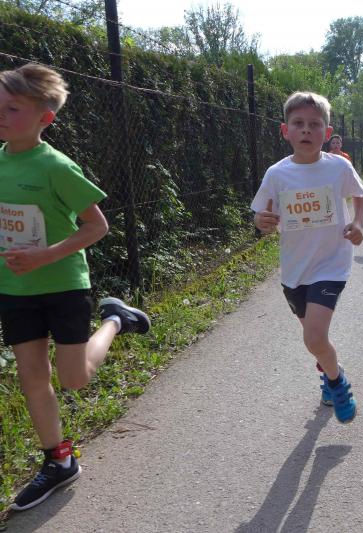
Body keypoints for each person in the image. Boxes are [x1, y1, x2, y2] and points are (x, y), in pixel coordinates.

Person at [0, 64, 151, 511]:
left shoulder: (55, 166)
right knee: (32, 377)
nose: (1, 115)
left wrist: (44, 255)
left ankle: (115, 320)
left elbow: (96, 226)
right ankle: (58, 461)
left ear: (45, 118)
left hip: (63, 284)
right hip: (14, 288)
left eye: (12, 108)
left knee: (73, 379)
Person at [252, 91, 363, 424]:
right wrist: (261, 222)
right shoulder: (276, 174)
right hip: (294, 271)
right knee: (316, 341)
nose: (306, 130)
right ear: (284, 131)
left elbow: (359, 196)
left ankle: (338, 384)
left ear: (327, 133)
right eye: (298, 123)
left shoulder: (339, 167)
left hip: (332, 265)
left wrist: (358, 223)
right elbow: (261, 215)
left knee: (314, 337)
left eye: (314, 124)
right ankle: (332, 369)